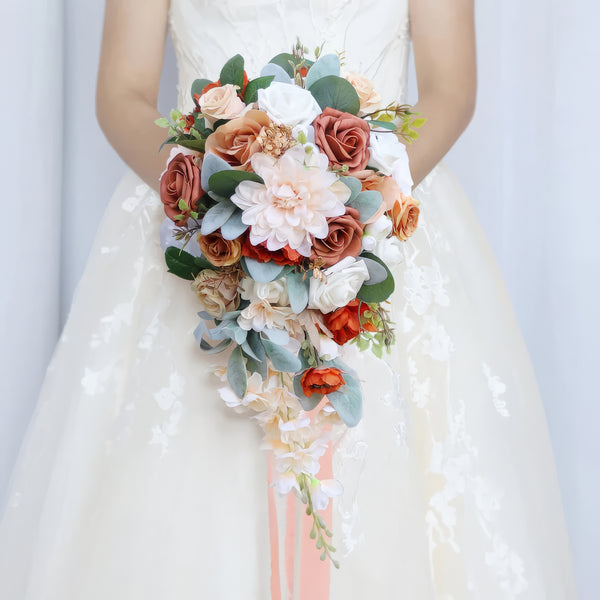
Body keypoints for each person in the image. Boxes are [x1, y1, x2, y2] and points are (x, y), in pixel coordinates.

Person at [0, 0, 576, 598]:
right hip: (205, 231)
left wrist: (351, 202)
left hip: (379, 223)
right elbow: (121, 91)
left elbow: (451, 89)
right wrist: (213, 197)